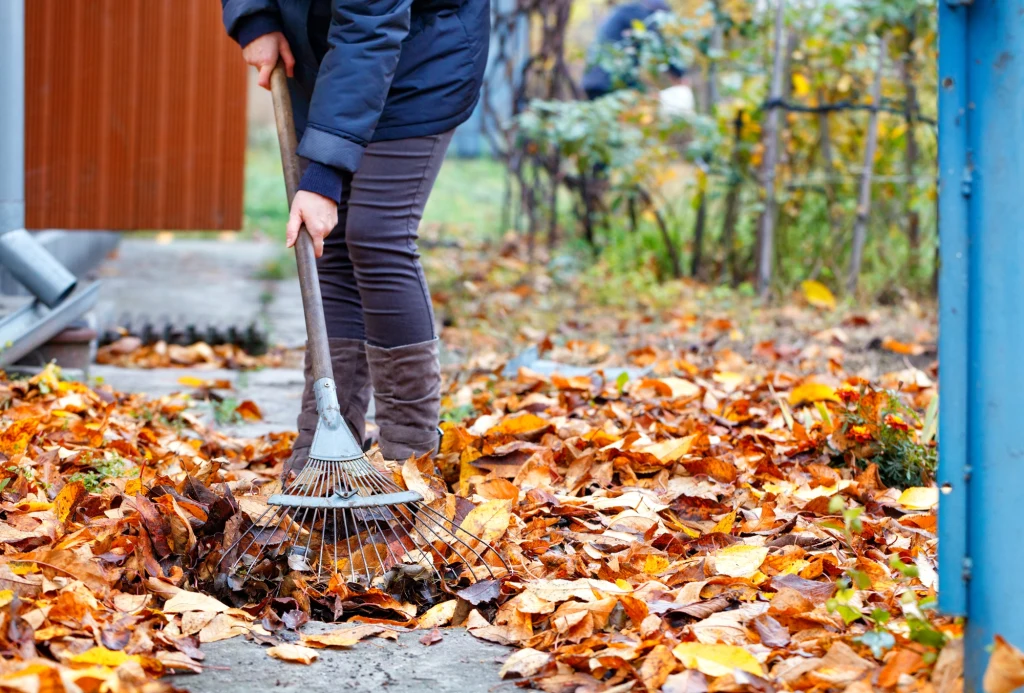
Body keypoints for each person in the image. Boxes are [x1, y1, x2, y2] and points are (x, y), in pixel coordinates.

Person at [221, 0, 490, 474]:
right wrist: (254, 17)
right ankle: (323, 449)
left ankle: (410, 456)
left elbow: (371, 26)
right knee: (331, 245)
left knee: (376, 233)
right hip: (329, 60)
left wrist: (325, 175)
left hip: (421, 57)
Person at [581, 0, 686, 101]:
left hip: (600, 79)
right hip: (607, 81)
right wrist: (679, 74)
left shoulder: (627, 11)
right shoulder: (636, 12)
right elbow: (657, 42)